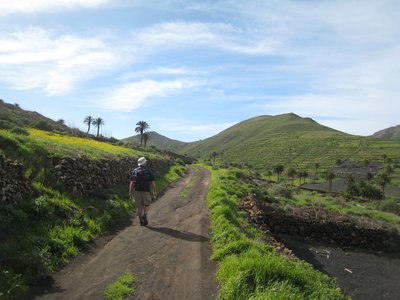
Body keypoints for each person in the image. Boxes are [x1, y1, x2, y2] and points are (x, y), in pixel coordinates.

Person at [129, 157, 157, 226]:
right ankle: (145, 214)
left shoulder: (135, 171)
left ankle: (141, 219)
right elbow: (152, 182)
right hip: (146, 190)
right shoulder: (148, 171)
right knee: (147, 204)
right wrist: (154, 191)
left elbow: (132, 183)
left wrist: (130, 192)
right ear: (144, 163)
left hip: (137, 191)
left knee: (139, 206)